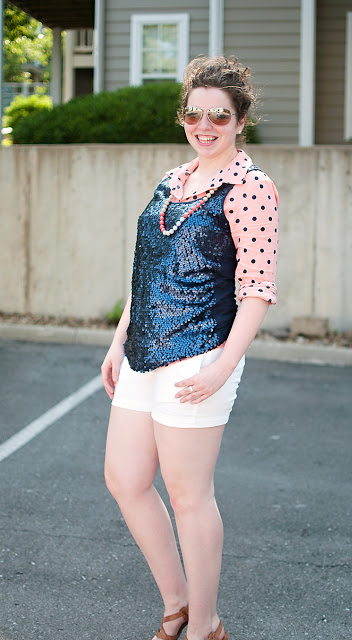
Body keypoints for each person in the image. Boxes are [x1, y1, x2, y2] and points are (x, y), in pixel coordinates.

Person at [101, 55, 278, 640]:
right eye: (195, 115)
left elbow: (256, 291)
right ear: (183, 117)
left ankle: (205, 624)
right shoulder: (172, 180)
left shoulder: (251, 187)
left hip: (200, 356)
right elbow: (145, 270)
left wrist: (223, 368)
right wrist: (118, 338)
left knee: (188, 494)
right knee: (125, 479)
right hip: (141, 352)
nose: (206, 126)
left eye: (219, 117)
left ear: (240, 119)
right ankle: (176, 601)